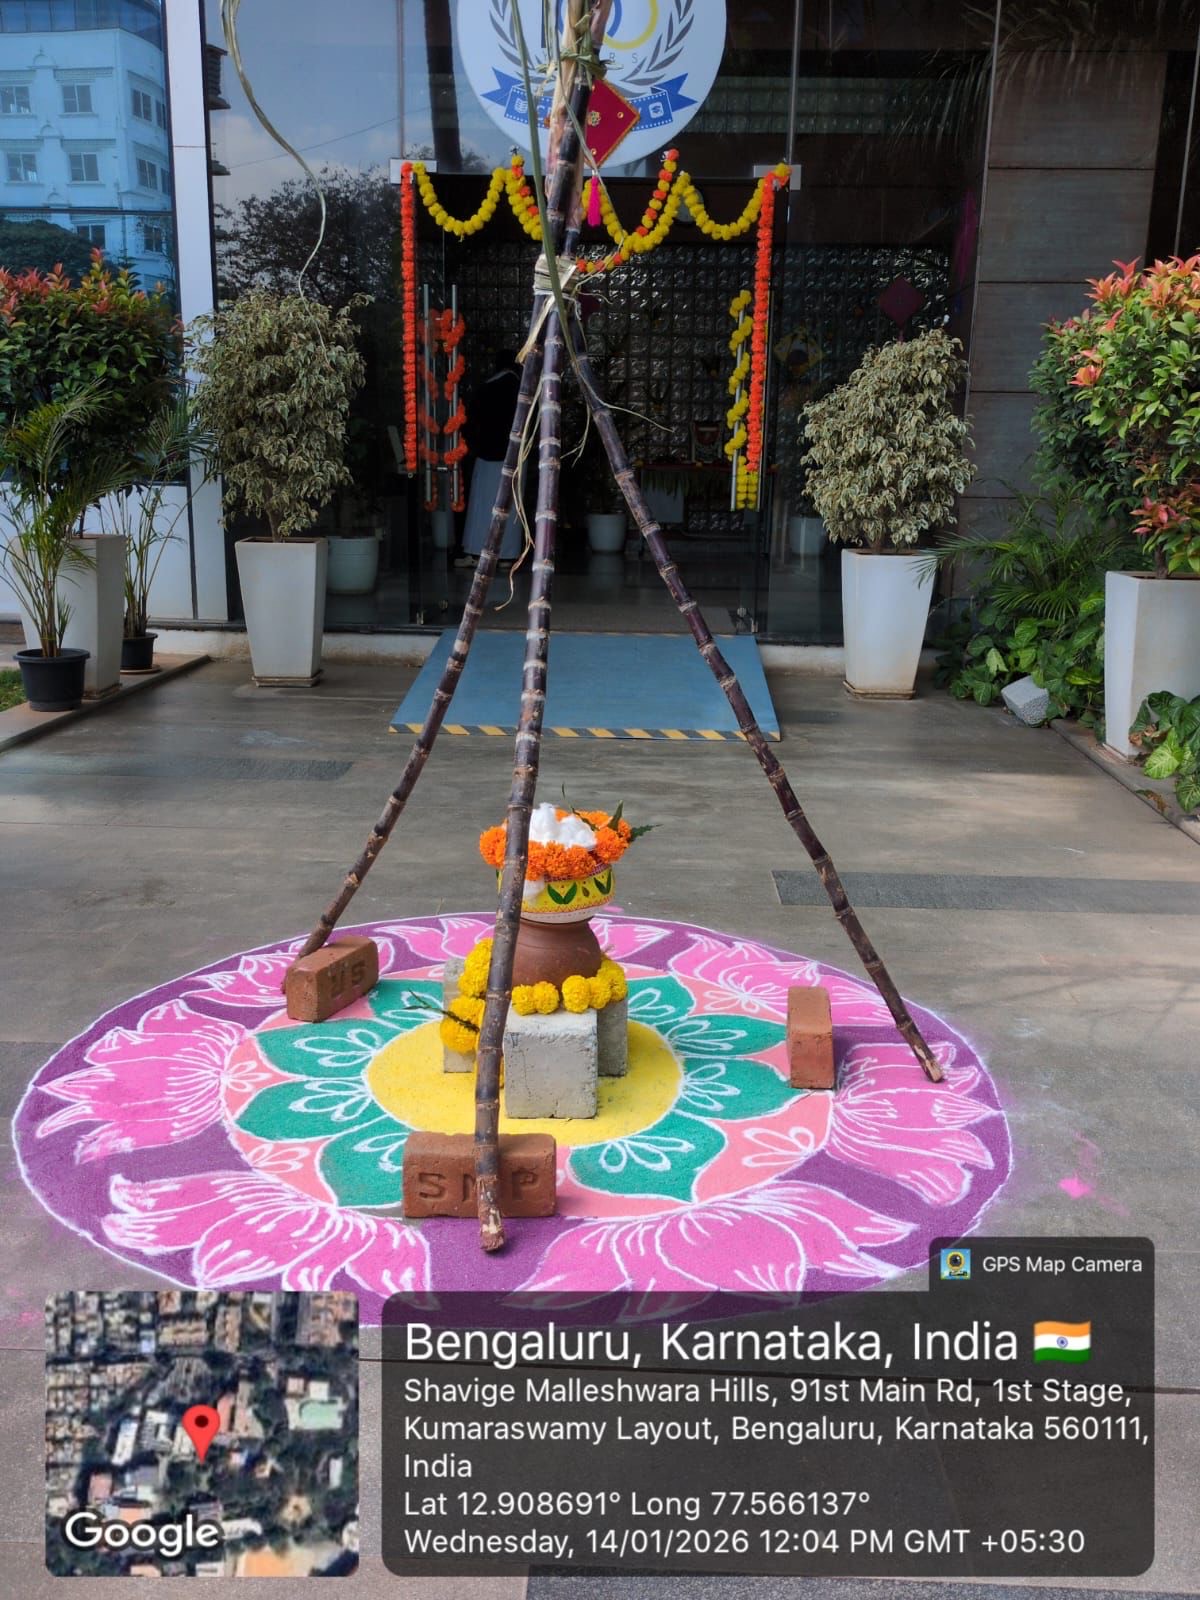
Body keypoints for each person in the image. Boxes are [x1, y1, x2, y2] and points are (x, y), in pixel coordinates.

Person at [457, 350, 525, 567]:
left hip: (488, 454)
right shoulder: (521, 387)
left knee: (483, 505)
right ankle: (508, 555)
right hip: (514, 455)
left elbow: (471, 421)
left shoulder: (488, 387)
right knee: (511, 506)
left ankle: (478, 552)